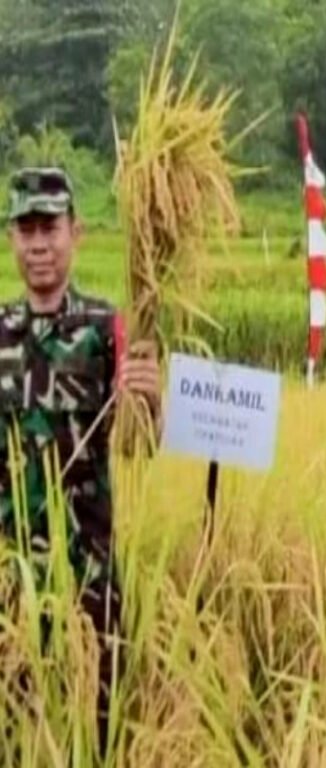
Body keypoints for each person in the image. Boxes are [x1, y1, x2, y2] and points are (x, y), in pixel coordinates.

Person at [1, 167, 162, 748]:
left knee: (98, 738)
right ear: (12, 239)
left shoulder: (108, 329)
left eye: (50, 228)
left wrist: (148, 399)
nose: (39, 244)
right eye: (26, 229)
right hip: (13, 586)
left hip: (91, 580)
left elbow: (141, 446)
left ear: (76, 232)